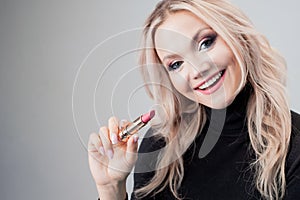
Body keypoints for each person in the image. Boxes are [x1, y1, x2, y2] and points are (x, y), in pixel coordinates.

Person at [88, 0, 300, 199]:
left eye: (206, 43)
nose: (197, 69)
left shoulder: (295, 145)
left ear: (237, 36)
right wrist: (110, 189)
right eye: (176, 64)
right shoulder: (160, 146)